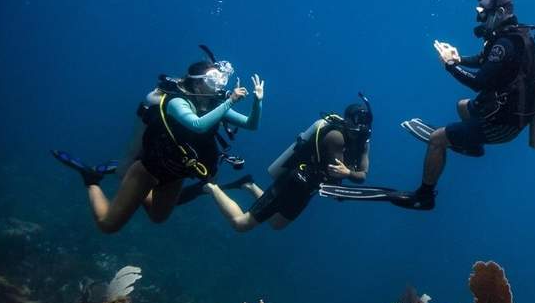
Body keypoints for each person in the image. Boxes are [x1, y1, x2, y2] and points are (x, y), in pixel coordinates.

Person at [53, 56, 263, 233]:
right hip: (149, 169)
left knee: (158, 217)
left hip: (176, 175)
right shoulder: (177, 102)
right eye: (213, 79)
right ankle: (92, 180)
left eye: (221, 79)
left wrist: (257, 101)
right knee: (108, 225)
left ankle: (131, 188)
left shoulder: (217, 105)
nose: (219, 84)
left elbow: (250, 125)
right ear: (197, 82)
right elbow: (197, 125)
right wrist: (230, 102)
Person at [391, 0, 535, 210]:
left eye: (483, 15)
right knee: (462, 105)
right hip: (509, 111)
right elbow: (486, 60)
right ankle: (473, 145)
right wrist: (459, 59)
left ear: (500, 13)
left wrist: (450, 67)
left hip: (504, 125)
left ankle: (425, 196)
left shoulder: (505, 43)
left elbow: (479, 82)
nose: (479, 20)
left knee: (437, 138)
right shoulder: (515, 36)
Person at [195, 99, 375, 231]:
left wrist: (349, 173)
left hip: (309, 188)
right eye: (358, 122)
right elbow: (338, 173)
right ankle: (212, 187)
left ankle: (248, 184)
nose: (361, 128)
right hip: (294, 182)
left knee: (277, 224)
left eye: (365, 124)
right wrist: (350, 173)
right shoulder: (336, 137)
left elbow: (362, 175)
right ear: (348, 120)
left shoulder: (363, 142)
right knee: (242, 224)